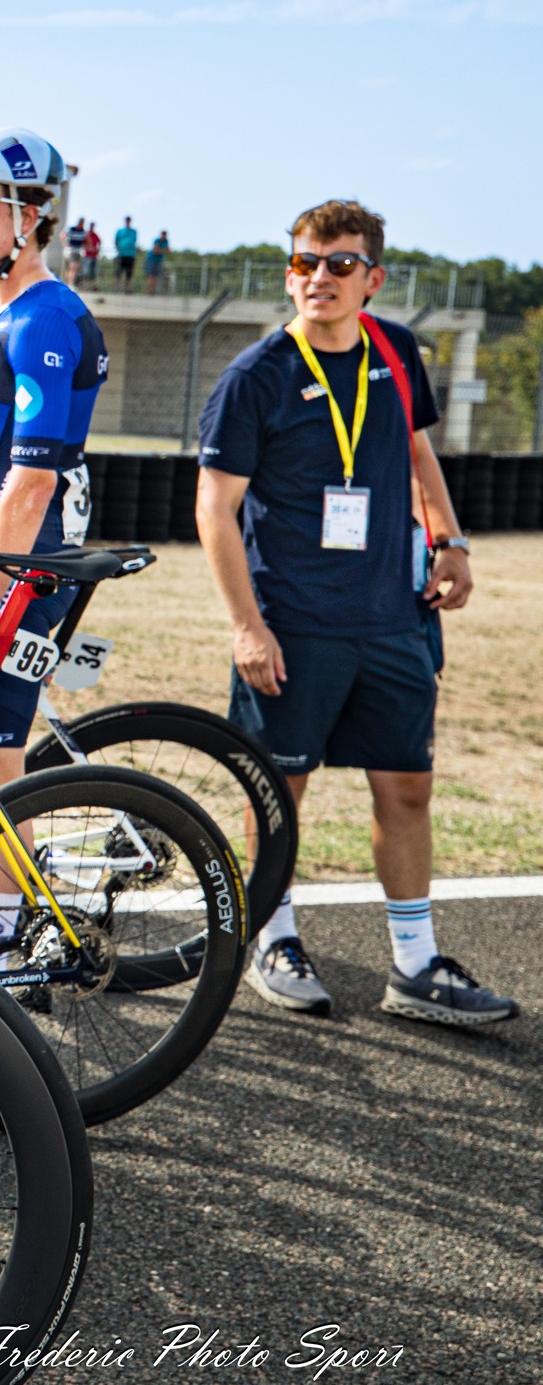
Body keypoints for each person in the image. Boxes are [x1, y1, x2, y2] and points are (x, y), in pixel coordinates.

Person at [196, 199, 514, 1026]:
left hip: (392, 619)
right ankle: (274, 934)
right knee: (280, 790)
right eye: (304, 262)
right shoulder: (257, 375)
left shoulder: (397, 351)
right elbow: (213, 509)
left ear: (373, 278)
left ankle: (414, 965)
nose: (318, 279)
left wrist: (448, 539)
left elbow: (415, 450)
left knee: (406, 788)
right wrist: (245, 623)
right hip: (294, 623)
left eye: (339, 264)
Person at [0, 129, 106, 962]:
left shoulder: (45, 319)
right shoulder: (3, 310)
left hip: (25, 568)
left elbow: (33, 478)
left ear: (28, 217)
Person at [113, 216, 140, 292]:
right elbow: (116, 241)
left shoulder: (134, 231)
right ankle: (116, 289)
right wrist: (119, 248)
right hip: (121, 254)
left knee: (129, 273)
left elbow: (134, 242)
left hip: (131, 255)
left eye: (129, 220)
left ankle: (127, 289)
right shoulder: (119, 231)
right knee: (118, 272)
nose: (128, 221)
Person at [145, 229, 170, 294]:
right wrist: (163, 251)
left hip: (159, 261)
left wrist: (160, 250)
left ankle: (153, 291)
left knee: (156, 276)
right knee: (151, 276)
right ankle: (149, 291)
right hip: (151, 260)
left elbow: (168, 251)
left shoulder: (166, 241)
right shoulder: (157, 240)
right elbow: (155, 251)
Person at [63, 218, 86, 286]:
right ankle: (69, 283)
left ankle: (70, 282)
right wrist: (65, 244)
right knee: (73, 267)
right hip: (72, 250)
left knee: (75, 268)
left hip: (78, 251)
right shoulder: (72, 229)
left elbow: (86, 240)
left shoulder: (82, 231)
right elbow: (63, 235)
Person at [81, 221, 101, 286]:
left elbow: (99, 243)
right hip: (87, 256)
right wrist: (89, 248)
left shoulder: (95, 235)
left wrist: (97, 250)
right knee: (85, 271)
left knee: (93, 272)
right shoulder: (86, 234)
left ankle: (93, 285)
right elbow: (83, 244)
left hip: (94, 256)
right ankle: (84, 285)